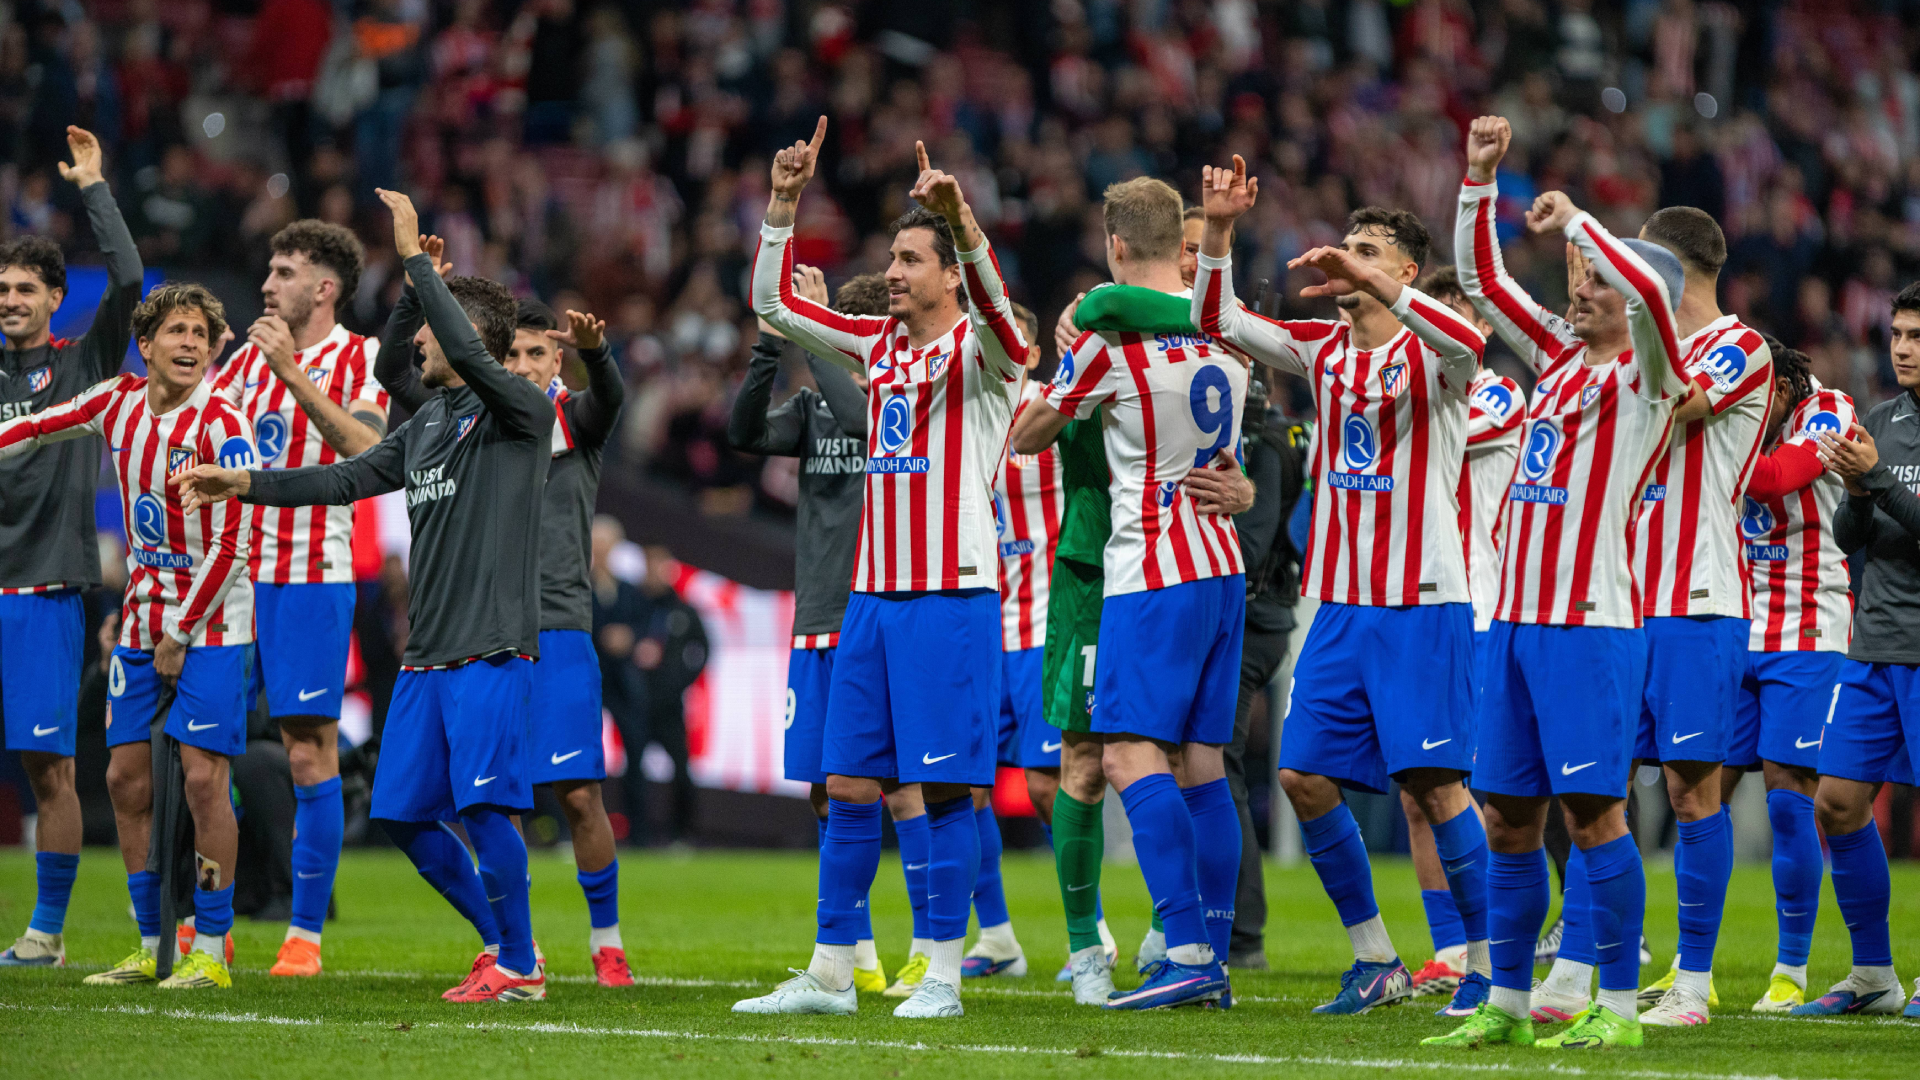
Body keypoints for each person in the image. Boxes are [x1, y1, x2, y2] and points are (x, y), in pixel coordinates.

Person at [177, 189, 553, 1003]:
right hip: (428, 651)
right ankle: (502, 945)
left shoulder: (520, 411)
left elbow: (465, 352)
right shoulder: (429, 425)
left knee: (485, 808)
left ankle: (522, 963)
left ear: (470, 338)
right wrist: (245, 482)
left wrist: (416, 258)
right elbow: (344, 476)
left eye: (430, 332)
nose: (417, 342)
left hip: (492, 643)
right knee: (402, 813)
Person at [731, 121, 1024, 1020]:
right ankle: (830, 971)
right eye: (892, 258)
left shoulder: (982, 354)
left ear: (949, 274)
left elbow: (1005, 322)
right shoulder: (877, 344)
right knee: (851, 784)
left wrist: (962, 220)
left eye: (909, 260)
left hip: (948, 596)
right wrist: (783, 204)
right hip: (870, 601)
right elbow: (772, 302)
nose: (891, 272)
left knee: (943, 789)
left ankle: (943, 974)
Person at [1195, 154, 1493, 1016]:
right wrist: (1219, 231)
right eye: (1347, 247)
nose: (1347, 261)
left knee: (1436, 788)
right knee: (1302, 776)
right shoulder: (1322, 350)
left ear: (1406, 271)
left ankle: (1489, 965)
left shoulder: (1434, 356)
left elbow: (1471, 342)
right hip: (1339, 607)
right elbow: (1217, 318)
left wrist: (1370, 279)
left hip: (1422, 604)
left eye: (1369, 251)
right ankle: (1375, 959)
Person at [1424, 115, 1689, 1050]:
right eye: (1578, 278)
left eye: (1595, 282)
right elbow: (1482, 282)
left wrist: (1581, 221)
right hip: (1515, 623)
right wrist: (1478, 179)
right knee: (1507, 819)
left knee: (1594, 815)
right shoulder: (1561, 357)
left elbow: (1651, 290)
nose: (1580, 289)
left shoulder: (1652, 372)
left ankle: (1617, 1006)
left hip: (1591, 624)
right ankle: (1505, 1004)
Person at [1014, 175, 1249, 1010]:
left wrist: (1084, 328)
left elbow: (1028, 435)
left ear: (1115, 245)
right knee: (1202, 765)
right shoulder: (1226, 334)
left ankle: (1183, 947)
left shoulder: (1107, 342)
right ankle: (1206, 946)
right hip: (1220, 566)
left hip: (1146, 571)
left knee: (1118, 755)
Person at [2, 284, 255, 990]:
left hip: (212, 623)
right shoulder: (117, 402)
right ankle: (151, 943)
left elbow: (234, 543)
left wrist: (182, 630)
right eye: (177, 331)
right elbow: (38, 426)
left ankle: (211, 946)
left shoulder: (223, 422)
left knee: (203, 778)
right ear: (145, 345)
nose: (190, 344)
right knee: (123, 778)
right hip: (144, 620)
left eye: (200, 334)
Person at [377, 285, 630, 985]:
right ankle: (515, 944)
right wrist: (414, 299)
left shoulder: (568, 417)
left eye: (536, 353)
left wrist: (598, 355)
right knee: (492, 798)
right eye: (511, 352)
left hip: (558, 623)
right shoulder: (470, 418)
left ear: (556, 361)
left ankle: (606, 940)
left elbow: (610, 401)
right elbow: (394, 374)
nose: (521, 364)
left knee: (576, 793)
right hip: (481, 628)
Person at [205, 219, 388, 978]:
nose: (267, 283)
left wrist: (291, 372)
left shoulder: (361, 356)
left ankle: (304, 934)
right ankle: (206, 928)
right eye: (270, 270)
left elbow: (367, 451)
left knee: (309, 753)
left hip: (309, 575)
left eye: (284, 272)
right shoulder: (245, 359)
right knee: (201, 754)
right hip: (228, 576)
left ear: (324, 287)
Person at [1628, 202, 1774, 1028]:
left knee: (1692, 793)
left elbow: (1674, 404)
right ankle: (1598, 968)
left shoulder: (1738, 347)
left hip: (1696, 599)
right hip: (1620, 599)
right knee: (1597, 787)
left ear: (1666, 268)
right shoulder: (1636, 346)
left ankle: (1693, 981)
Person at [0, 125, 142, 969]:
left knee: (47, 767)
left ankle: (46, 933)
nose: (9, 299)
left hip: (44, 591)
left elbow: (128, 279)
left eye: (24, 288)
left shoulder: (83, 367)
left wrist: (93, 185)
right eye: (0, 289)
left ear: (55, 296)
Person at [728, 269, 887, 992]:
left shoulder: (894, 400)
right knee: (824, 788)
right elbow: (744, 433)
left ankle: (927, 946)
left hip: (874, 610)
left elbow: (862, 419)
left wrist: (811, 330)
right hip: (816, 615)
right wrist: (770, 344)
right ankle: (857, 948)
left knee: (895, 788)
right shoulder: (813, 407)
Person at [1397, 265, 1522, 1014]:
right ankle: (1447, 947)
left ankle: (1492, 942)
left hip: (1480, 612)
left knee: (1466, 788)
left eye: (1448, 313)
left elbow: (1418, 442)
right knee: (1417, 790)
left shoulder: (1498, 395)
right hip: (1419, 607)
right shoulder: (1402, 388)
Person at [1795, 281, 1920, 1019]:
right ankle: (1873, 975)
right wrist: (1860, 492)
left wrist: (1876, 479)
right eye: (1898, 334)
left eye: (1917, 336)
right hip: (1873, 646)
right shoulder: (1880, 421)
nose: (1902, 348)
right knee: (1837, 803)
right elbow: (1849, 538)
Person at [1719, 340, 1853, 1013]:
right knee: (1697, 792)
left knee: (1785, 795)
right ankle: (1690, 969)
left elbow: (1774, 480)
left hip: (1808, 629)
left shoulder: (1828, 410)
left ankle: (1791, 969)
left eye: (1754, 395)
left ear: (1781, 387)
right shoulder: (1746, 420)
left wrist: (1708, 449)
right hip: (1734, 624)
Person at [965, 302, 1055, 982]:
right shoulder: (963, 411)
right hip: (975, 628)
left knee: (1052, 787)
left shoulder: (1053, 409)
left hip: (1044, 625)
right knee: (962, 789)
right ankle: (996, 937)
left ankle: (1093, 937)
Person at [631, 544, 707, 845]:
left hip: (669, 703)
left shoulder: (682, 610)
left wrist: (680, 680)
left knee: (681, 769)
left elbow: (702, 649)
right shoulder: (633, 605)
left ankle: (681, 833)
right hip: (635, 702)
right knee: (633, 770)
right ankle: (638, 834)